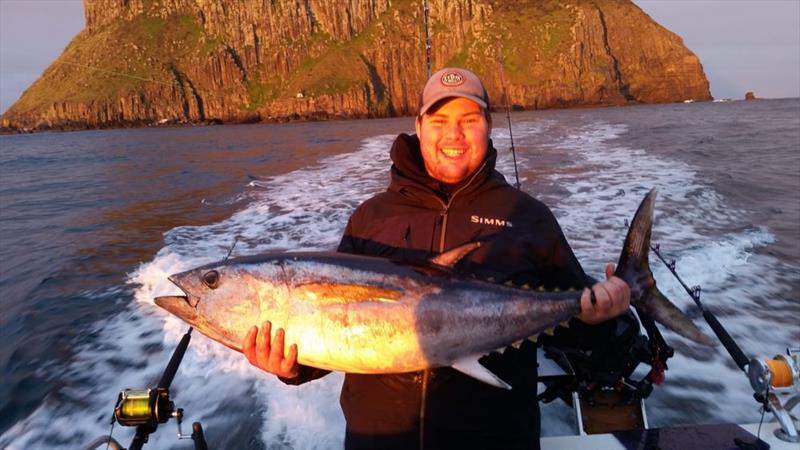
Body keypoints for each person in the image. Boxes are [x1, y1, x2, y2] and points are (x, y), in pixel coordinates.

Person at [242, 68, 631, 449]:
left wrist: (604, 321)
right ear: (419, 125)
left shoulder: (527, 217)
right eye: (439, 119)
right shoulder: (371, 217)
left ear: (489, 125)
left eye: (469, 119)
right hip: (378, 442)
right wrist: (292, 368)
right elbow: (337, 332)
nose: (453, 134)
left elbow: (581, 331)